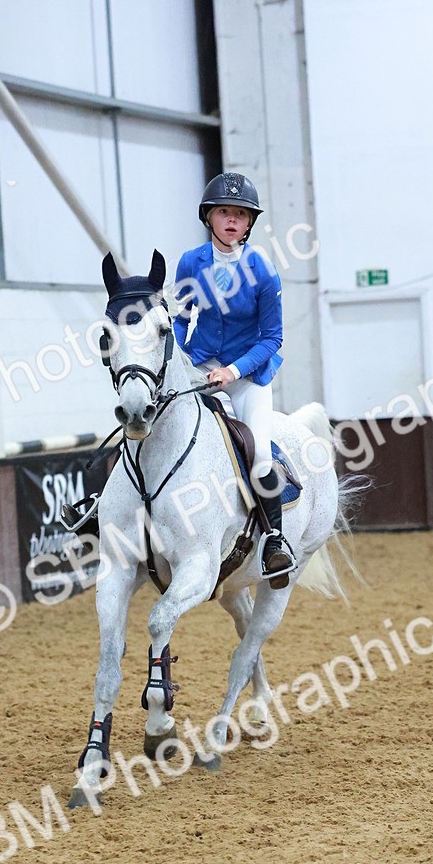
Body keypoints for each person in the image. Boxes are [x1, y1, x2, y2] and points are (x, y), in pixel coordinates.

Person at [173, 171, 296, 588]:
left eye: (240, 215)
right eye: (224, 212)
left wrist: (234, 371)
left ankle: (275, 540)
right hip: (199, 369)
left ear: (248, 224)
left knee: (259, 453)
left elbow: (273, 338)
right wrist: (185, 362)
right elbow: (179, 318)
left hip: (247, 377)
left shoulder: (263, 271)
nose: (232, 220)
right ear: (210, 217)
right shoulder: (191, 262)